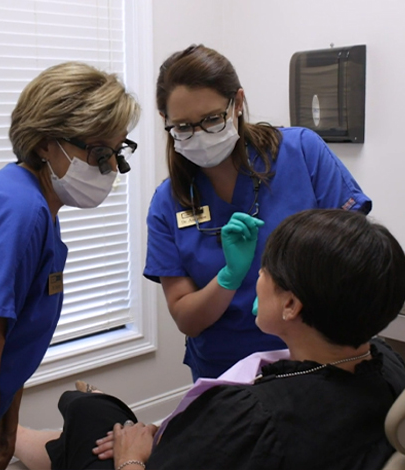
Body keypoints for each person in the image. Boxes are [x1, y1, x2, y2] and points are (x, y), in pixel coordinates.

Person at [13, 209, 405, 470]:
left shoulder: (250, 415)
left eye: (266, 268)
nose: (258, 277)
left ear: (290, 305)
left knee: (89, 418)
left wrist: (132, 458)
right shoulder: (388, 364)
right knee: (103, 419)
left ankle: (17, 433)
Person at [0, 61, 140, 470]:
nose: (112, 169)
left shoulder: (38, 212)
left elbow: (10, 347)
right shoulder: (18, 211)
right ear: (46, 143)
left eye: (118, 152)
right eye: (99, 153)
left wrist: (8, 433)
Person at [143, 44, 373, 381]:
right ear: (166, 122)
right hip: (226, 372)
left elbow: (356, 255)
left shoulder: (301, 152)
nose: (200, 135)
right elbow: (186, 319)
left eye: (211, 119)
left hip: (317, 359)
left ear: (237, 103)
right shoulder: (168, 202)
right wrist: (229, 278)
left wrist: (296, 291)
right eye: (183, 127)